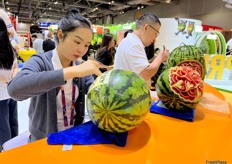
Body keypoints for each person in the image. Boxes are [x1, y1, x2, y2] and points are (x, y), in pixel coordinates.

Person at [7, 9, 102, 142]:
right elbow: (14, 89)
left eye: (86, 45)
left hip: (73, 135)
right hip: (43, 140)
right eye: (77, 42)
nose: (82, 50)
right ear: (61, 35)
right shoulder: (41, 61)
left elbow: (95, 91)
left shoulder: (80, 66)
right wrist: (71, 72)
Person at [114, 14, 169, 86]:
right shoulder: (133, 44)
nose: (155, 39)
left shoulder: (130, 41)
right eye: (155, 34)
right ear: (146, 27)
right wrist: (160, 57)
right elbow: (146, 73)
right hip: (129, 95)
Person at [0, 17, 18, 152]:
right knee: (12, 121)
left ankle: (5, 152)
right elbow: (16, 67)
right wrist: (10, 79)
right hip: (11, 91)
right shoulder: (10, 48)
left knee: (3, 126)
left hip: (0, 95)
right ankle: (14, 147)